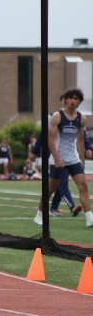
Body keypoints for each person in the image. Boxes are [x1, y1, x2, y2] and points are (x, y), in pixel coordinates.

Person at [34, 89, 93, 227]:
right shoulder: (57, 117)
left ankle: (89, 218)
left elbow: (80, 141)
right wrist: (57, 159)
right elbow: (50, 139)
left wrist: (82, 160)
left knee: (83, 185)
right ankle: (39, 215)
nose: (73, 101)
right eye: (71, 98)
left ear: (79, 102)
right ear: (65, 100)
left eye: (76, 99)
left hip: (73, 159)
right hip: (58, 159)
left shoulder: (82, 119)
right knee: (51, 188)